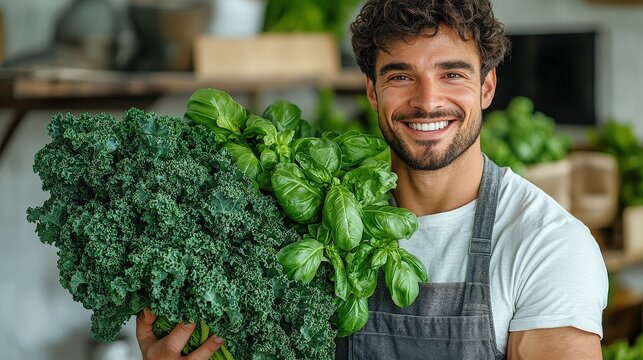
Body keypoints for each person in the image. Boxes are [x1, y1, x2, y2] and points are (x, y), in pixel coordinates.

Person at [136, 0, 608, 359]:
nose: (427, 101)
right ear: (372, 91)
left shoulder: (548, 246)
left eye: (452, 74)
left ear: (486, 87)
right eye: (401, 76)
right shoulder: (311, 215)